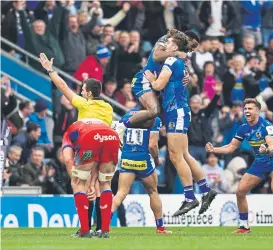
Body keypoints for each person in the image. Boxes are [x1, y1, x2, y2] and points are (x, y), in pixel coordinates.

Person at [39, 53, 119, 238]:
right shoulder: (108, 107)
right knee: (104, 183)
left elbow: (63, 87)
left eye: (83, 89)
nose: (81, 92)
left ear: (89, 94)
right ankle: (104, 229)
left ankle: (84, 230)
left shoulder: (83, 104)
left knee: (78, 182)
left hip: (89, 137)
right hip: (109, 139)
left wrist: (50, 70)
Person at [144, 33, 217, 216]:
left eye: (168, 43)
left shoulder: (171, 61)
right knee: (184, 154)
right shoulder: (181, 64)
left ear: (175, 47)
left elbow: (159, 85)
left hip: (175, 111)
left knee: (175, 156)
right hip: (180, 111)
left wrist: (151, 78)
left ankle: (190, 197)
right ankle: (206, 191)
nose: (165, 45)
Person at [205, 98, 273, 234]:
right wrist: (214, 150)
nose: (247, 111)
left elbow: (272, 147)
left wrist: (266, 149)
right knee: (240, 191)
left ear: (257, 111)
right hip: (259, 162)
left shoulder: (266, 126)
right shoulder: (244, 128)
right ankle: (244, 226)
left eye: (250, 109)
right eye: (245, 109)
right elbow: (231, 147)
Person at [122, 29, 200, 129]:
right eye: (193, 45)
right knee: (153, 111)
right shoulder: (168, 39)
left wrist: (186, 76)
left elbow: (179, 70)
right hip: (145, 78)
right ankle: (121, 126)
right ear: (187, 39)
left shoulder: (183, 55)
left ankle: (127, 134)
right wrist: (176, 53)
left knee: (150, 122)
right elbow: (156, 56)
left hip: (157, 84)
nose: (192, 49)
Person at [111, 108, 171, 234]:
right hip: (143, 159)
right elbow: (152, 145)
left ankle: (104, 226)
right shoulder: (154, 119)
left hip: (127, 158)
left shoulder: (128, 115)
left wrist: (125, 151)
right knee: (153, 192)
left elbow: (118, 135)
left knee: (121, 193)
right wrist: (156, 159)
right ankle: (160, 228)